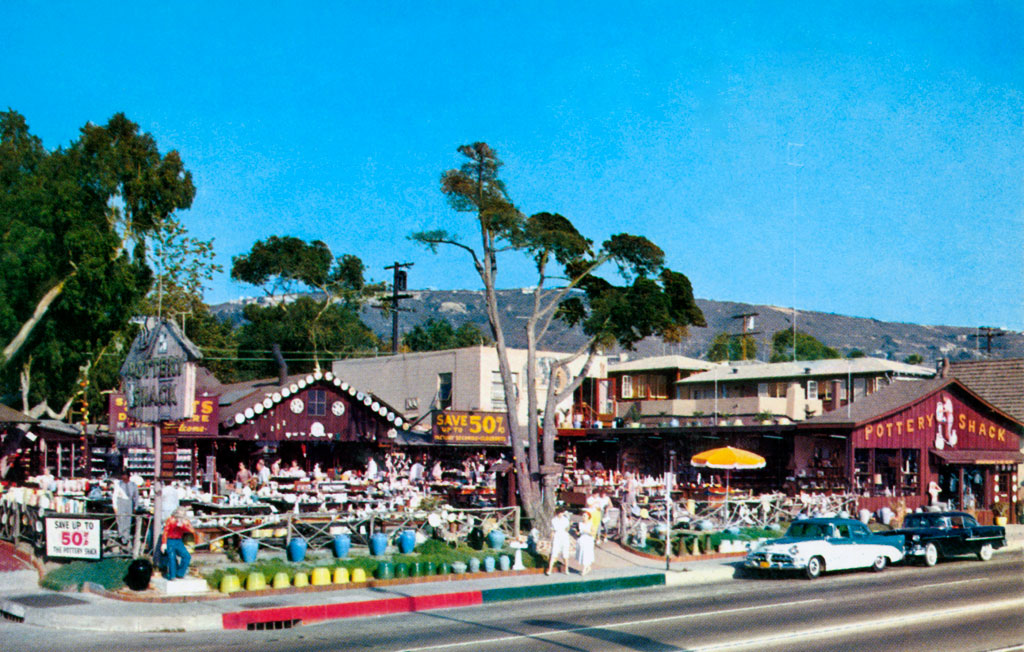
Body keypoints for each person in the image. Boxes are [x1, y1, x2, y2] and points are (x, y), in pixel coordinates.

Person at [160, 507, 197, 580]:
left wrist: (183, 526)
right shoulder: (170, 520)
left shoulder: (185, 521)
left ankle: (180, 573)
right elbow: (165, 531)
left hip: (179, 540)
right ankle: (172, 576)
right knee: (172, 557)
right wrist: (163, 543)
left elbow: (192, 530)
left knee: (186, 556)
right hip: (170, 540)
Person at [113, 472, 139, 544]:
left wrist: (136, 507)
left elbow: (136, 497)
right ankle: (121, 537)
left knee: (128, 520)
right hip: (121, 501)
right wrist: (115, 506)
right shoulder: (119, 485)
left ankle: (126, 538)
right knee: (121, 520)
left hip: (129, 502)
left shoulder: (133, 485)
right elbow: (115, 496)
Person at [546, 506, 572, 575]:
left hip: (564, 536)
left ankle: (566, 569)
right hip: (557, 536)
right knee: (554, 552)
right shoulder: (553, 520)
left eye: (562, 513)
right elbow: (552, 530)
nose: (560, 514)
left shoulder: (565, 520)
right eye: (559, 513)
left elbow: (567, 528)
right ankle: (550, 569)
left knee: (565, 554)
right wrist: (551, 537)